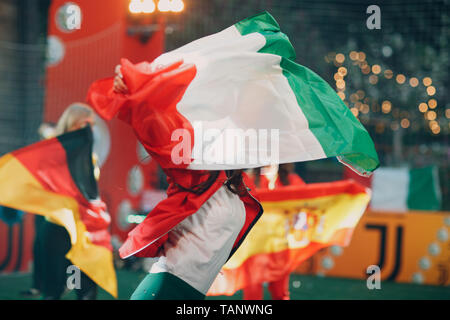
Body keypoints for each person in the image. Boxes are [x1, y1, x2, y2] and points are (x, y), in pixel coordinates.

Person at [87, 64, 263, 300]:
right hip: (165, 287)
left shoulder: (236, 187)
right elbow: (159, 130)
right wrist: (133, 91)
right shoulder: (196, 172)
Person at [39, 103, 99, 300]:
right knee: (53, 290)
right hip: (56, 229)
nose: (88, 129)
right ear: (71, 124)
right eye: (84, 124)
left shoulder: (91, 157)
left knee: (86, 289)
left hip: (82, 231)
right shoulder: (52, 152)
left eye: (91, 125)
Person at [243, 163, 305, 300]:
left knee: (281, 293)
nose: (270, 159)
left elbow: (307, 204)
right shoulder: (248, 179)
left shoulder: (292, 180)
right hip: (254, 246)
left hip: (281, 245)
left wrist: (300, 217)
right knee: (252, 293)